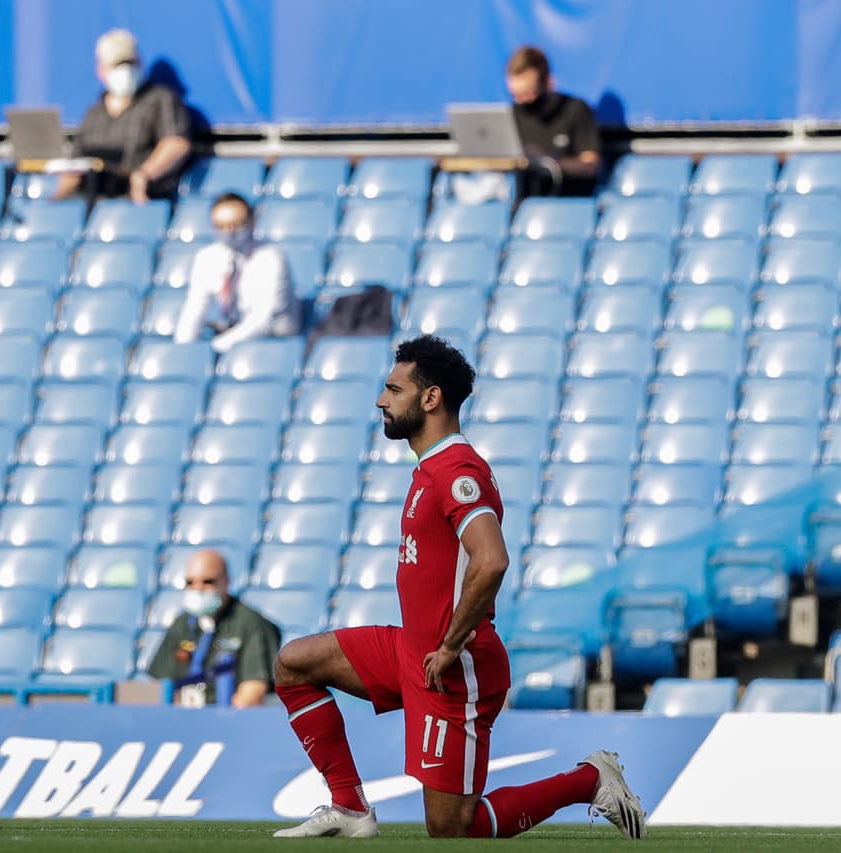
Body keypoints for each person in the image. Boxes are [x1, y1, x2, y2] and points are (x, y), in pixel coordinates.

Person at [272, 335, 646, 839]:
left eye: (394, 389)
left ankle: (589, 779)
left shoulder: (457, 471)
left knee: (451, 827)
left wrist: (450, 645)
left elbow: (491, 561)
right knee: (294, 664)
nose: (382, 400)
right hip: (412, 649)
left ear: (431, 399)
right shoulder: (430, 468)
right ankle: (350, 808)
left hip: (454, 667)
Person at [54, 29, 193, 203]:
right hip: (94, 200)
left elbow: (176, 144)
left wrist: (143, 175)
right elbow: (75, 164)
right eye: (116, 65)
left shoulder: (161, 99)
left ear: (140, 63)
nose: (125, 71)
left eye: (129, 63)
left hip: (140, 200)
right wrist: (56, 200)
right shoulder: (93, 113)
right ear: (101, 70)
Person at [147, 549, 281, 709]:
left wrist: (214, 722)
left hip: (229, 723)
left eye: (208, 582)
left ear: (226, 581)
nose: (198, 589)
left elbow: (252, 694)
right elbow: (161, 686)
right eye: (190, 583)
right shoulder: (182, 623)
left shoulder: (252, 624)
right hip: (183, 721)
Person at [172, 192, 302, 354]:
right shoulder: (206, 258)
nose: (229, 231)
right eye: (221, 226)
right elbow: (195, 308)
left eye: (236, 224)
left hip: (271, 344)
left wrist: (216, 348)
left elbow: (264, 320)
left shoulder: (271, 258)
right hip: (230, 338)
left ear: (252, 221)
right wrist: (181, 351)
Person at [507, 46, 601, 197]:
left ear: (548, 83)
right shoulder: (513, 114)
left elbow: (590, 165)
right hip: (524, 201)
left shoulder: (576, 109)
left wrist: (549, 162)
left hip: (567, 199)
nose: (522, 102)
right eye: (516, 96)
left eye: (529, 94)